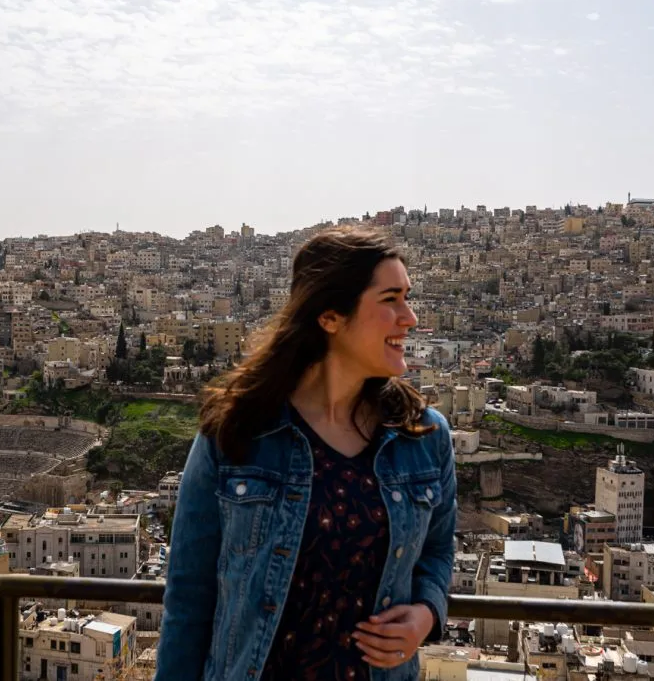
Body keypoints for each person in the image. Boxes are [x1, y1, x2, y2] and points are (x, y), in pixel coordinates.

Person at [155, 228, 457, 681]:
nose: (410, 317)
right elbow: (189, 598)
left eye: (407, 298)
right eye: (391, 299)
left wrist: (426, 615)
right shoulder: (236, 433)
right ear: (331, 316)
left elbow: (437, 552)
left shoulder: (426, 438)